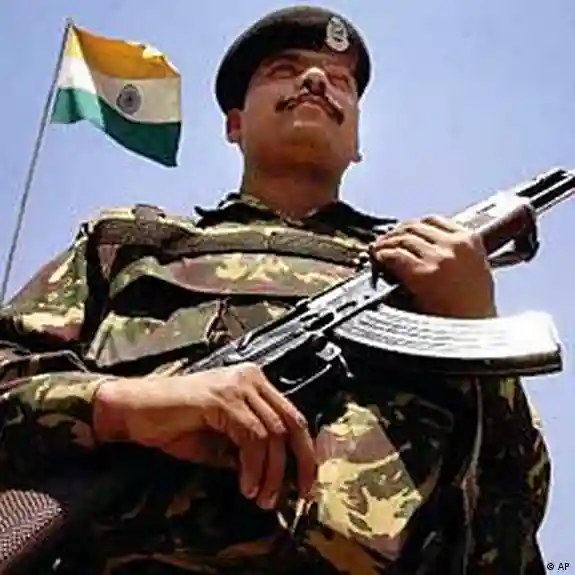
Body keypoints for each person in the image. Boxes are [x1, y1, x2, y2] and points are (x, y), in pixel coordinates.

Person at [0, 5, 550, 574]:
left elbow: (514, 508)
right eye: (283, 69)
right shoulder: (130, 246)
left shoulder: (421, 274)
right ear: (234, 124)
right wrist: (128, 407)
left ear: (357, 139)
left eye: (340, 81)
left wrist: (476, 321)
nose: (315, 80)